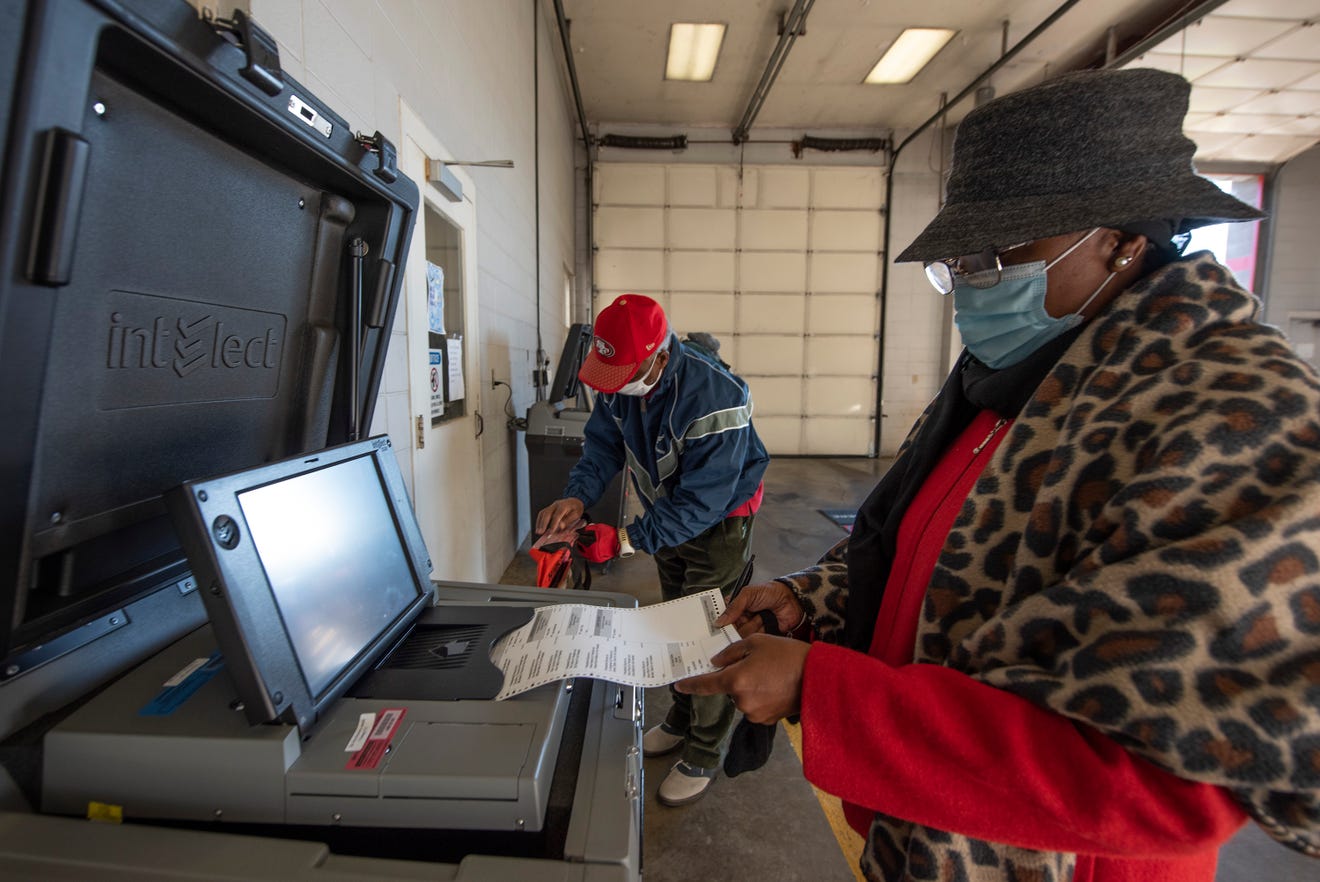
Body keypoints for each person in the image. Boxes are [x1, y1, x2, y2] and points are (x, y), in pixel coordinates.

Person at [675, 68, 1320, 881]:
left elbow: (1165, 780)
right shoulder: (1012, 377)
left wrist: (829, 696)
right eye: (957, 262)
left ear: (1122, 241)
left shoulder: (1233, 415)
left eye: (997, 252)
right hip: (932, 827)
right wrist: (816, 602)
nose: (969, 282)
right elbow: (926, 557)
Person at [536, 293, 769, 806]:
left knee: (708, 632)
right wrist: (577, 496)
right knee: (673, 622)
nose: (613, 385)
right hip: (668, 508)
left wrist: (624, 540)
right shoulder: (621, 378)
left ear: (659, 357)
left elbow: (702, 501)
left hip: (720, 521)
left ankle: (705, 752)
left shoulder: (717, 398)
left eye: (622, 373)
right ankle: (682, 717)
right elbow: (602, 446)